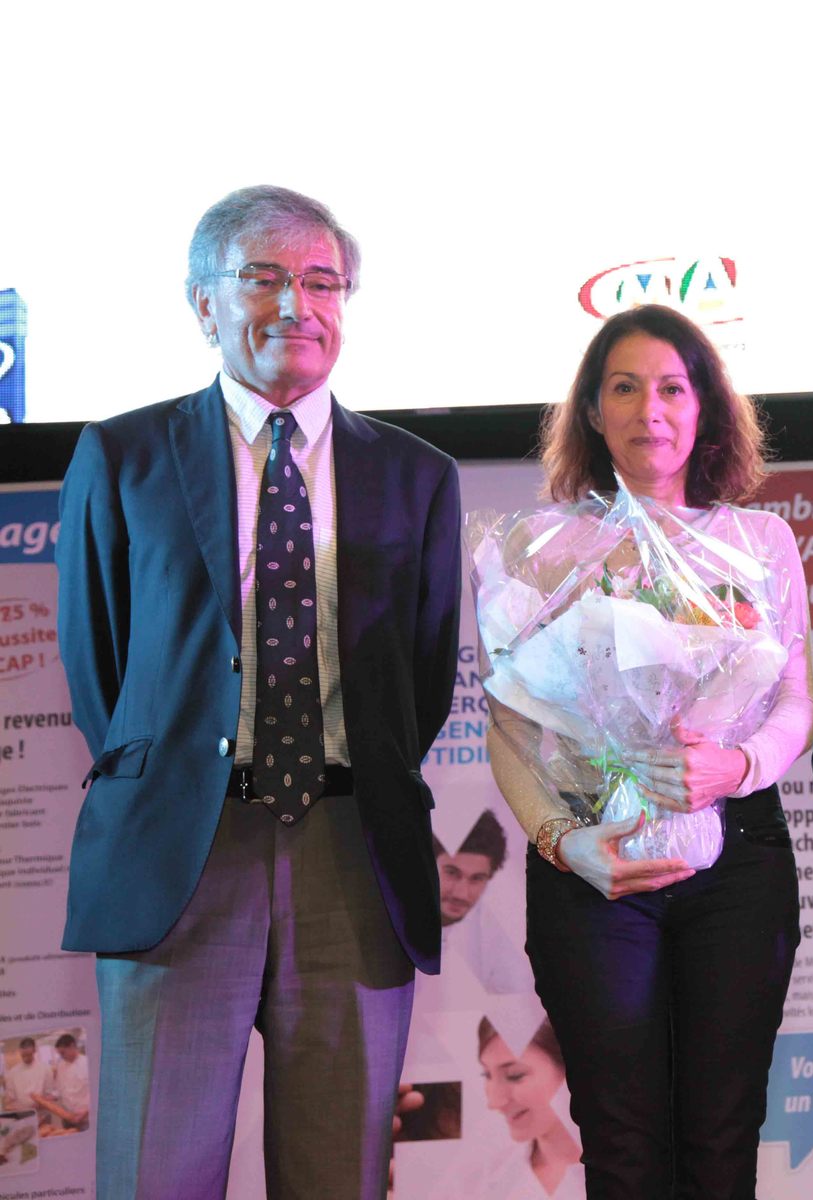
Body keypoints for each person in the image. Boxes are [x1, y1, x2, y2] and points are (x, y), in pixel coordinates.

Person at [56, 185, 462, 1198]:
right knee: (155, 1175)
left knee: (339, 1177)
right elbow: (100, 668)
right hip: (179, 856)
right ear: (204, 303)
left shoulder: (416, 475)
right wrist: (182, 774)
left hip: (353, 854)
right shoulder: (123, 456)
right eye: (264, 277)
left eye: (323, 281)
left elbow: (420, 682)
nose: (298, 305)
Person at [483, 303, 813, 1198]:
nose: (649, 410)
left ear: (705, 406)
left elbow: (795, 698)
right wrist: (564, 842)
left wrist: (737, 766)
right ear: (593, 410)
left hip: (736, 859)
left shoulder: (759, 542)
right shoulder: (537, 547)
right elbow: (510, 725)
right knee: (621, 1140)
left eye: (672, 388)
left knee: (722, 1133)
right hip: (595, 863)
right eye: (624, 388)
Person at [472, 1016, 584, 1199]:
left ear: (571, 1068)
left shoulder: (625, 1168)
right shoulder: (485, 1180)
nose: (494, 1102)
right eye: (487, 1074)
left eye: (514, 1075)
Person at [432, 810, 536, 996]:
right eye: (452, 873)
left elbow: (515, 992)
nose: (461, 893)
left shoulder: (495, 937)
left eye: (477, 878)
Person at [38, 1035, 90, 1132]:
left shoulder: (88, 1063)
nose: (61, 1056)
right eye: (59, 1054)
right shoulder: (61, 1065)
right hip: (67, 1117)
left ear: (72, 1046)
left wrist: (87, 1111)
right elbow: (59, 1089)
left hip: (86, 1118)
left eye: (63, 1053)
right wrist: (49, 1098)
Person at [1, 1039, 50, 1119]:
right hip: (22, 1115)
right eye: (23, 1055)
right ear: (20, 1052)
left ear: (34, 1051)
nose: (26, 1058)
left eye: (28, 1055)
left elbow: (50, 1093)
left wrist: (42, 1102)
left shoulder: (45, 1069)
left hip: (43, 1114)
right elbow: (10, 1097)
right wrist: (13, 1106)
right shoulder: (13, 1072)